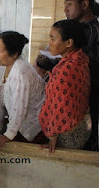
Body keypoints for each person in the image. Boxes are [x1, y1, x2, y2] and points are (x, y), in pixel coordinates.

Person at [39, 19, 91, 153]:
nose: (49, 43)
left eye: (53, 38)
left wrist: (53, 134)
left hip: (68, 133)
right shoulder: (79, 59)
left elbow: (62, 107)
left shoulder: (68, 69)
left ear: (69, 43)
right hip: (80, 126)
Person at [0, 31, 47, 149]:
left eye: (0, 51)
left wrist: (8, 135)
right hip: (20, 121)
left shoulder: (21, 72)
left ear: (15, 54)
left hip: (35, 122)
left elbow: (19, 105)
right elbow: (0, 99)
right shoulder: (2, 68)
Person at [64, 0, 99, 151]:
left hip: (92, 94)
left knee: (89, 138)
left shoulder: (95, 32)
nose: (65, 9)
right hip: (77, 95)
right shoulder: (75, 29)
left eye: (70, 4)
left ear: (84, 4)